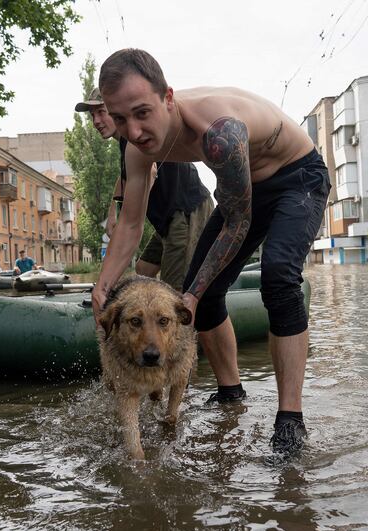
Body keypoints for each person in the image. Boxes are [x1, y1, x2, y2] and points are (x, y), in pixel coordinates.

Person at [91, 49, 330, 457]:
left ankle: (290, 419)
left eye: (142, 113)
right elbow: (130, 224)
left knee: (277, 278)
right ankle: (230, 391)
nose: (132, 130)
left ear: (168, 97)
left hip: (297, 178)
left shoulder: (219, 133)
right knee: (204, 287)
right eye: (119, 118)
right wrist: (103, 284)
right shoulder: (136, 148)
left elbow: (237, 224)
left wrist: (193, 295)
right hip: (244, 190)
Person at [75, 88, 214, 291]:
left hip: (187, 211)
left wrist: (127, 222)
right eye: (92, 115)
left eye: (101, 112)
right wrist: (113, 209)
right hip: (168, 219)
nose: (96, 121)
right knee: (143, 269)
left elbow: (150, 172)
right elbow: (126, 176)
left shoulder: (135, 136)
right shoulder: (124, 142)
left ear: (116, 111)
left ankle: (181, 314)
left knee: (174, 291)